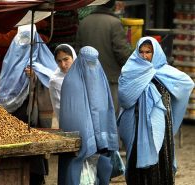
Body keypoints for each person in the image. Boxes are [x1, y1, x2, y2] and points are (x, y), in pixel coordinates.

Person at [117, 36, 194, 185]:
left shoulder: (165, 72)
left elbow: (186, 84)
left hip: (161, 127)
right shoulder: (129, 70)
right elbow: (125, 98)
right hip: (137, 126)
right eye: (142, 51)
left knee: (160, 163)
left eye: (148, 52)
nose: (144, 55)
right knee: (137, 168)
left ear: (156, 53)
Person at [0, 24, 57, 185]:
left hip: (32, 113)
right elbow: (5, 83)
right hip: (12, 113)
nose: (24, 43)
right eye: (21, 38)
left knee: (33, 149)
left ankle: (36, 180)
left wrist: (35, 77)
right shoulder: (11, 57)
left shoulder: (41, 56)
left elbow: (54, 78)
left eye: (28, 39)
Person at [58, 46, 120, 185]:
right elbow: (75, 117)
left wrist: (102, 139)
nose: (90, 67)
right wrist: (89, 140)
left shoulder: (100, 78)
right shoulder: (71, 82)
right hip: (81, 142)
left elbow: (105, 110)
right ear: (80, 61)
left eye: (93, 63)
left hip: (99, 145)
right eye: (87, 63)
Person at [76, 0, 132, 114]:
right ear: (112, 5)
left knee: (91, 114)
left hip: (87, 78)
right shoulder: (115, 23)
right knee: (110, 115)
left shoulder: (84, 22)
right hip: (110, 79)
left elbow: (78, 51)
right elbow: (121, 51)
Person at [49, 44, 77, 122]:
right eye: (59, 61)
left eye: (66, 59)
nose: (63, 65)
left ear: (73, 58)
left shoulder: (82, 74)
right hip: (69, 122)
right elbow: (59, 108)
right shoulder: (55, 81)